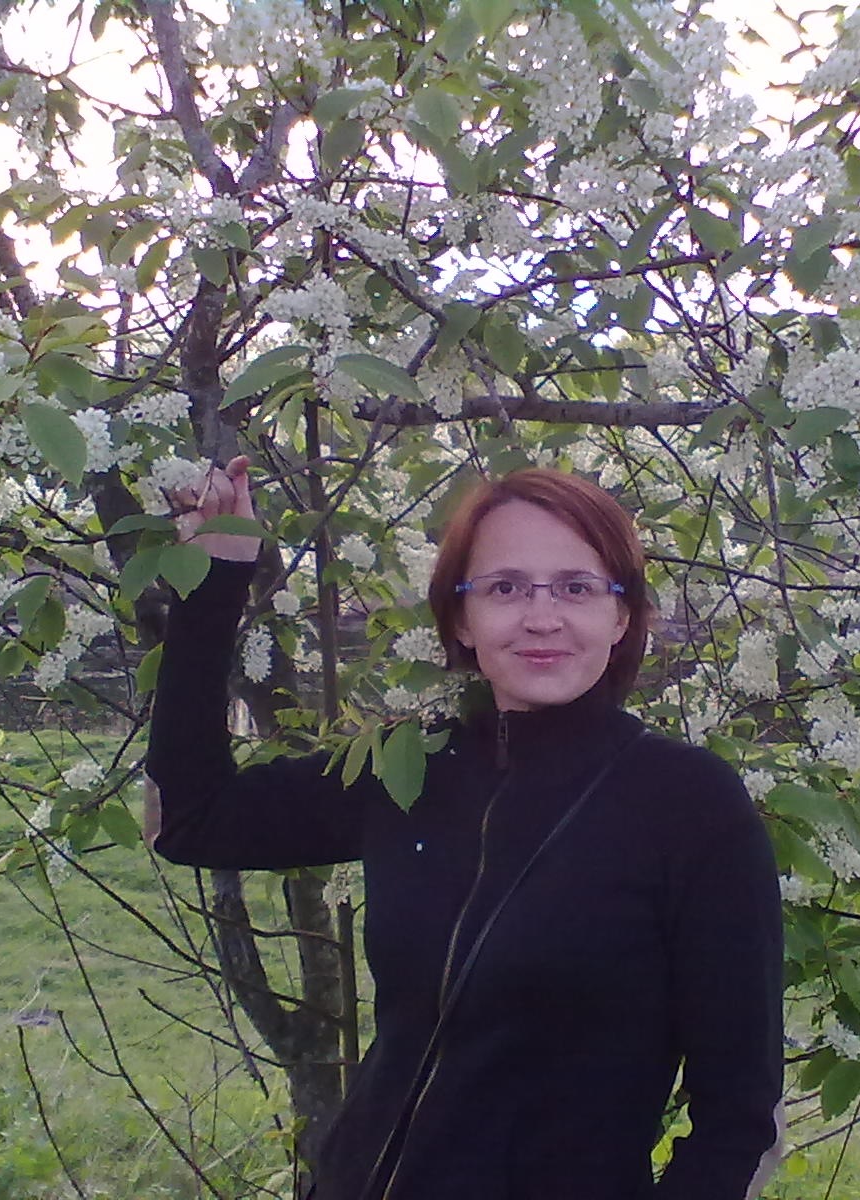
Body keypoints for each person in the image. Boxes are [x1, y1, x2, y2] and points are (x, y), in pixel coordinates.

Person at [145, 459, 784, 1200]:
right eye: (505, 588)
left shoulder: (688, 804)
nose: (541, 617)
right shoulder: (409, 770)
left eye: (576, 587)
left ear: (621, 616)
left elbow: (740, 1119)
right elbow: (189, 820)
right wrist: (215, 581)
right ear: (460, 617)